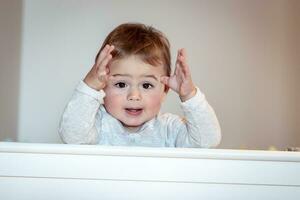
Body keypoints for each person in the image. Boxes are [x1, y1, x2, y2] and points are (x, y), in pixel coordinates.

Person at [59, 23, 221, 147]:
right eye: (121, 84)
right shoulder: (98, 124)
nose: (134, 96)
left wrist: (189, 95)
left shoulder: (169, 129)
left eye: (146, 85)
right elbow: (73, 136)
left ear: (164, 90)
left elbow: (206, 142)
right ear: (102, 87)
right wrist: (90, 86)